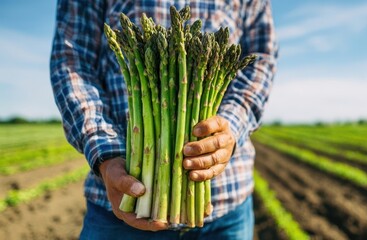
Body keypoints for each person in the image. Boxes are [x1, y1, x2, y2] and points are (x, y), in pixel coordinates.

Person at [50, 0, 277, 239]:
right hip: (121, 202)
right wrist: (106, 153)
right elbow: (72, 60)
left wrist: (230, 125)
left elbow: (261, 58)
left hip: (227, 209)